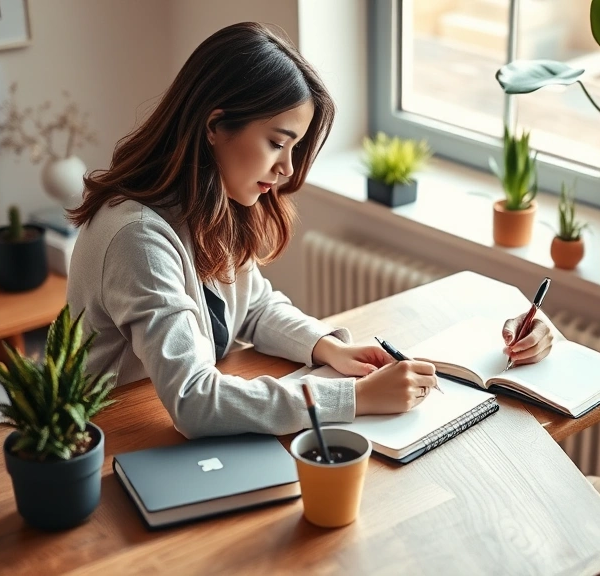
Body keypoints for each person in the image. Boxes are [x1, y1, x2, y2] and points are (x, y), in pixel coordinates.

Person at [66, 22, 554, 439]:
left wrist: (328, 347)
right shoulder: (138, 239)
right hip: (104, 442)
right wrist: (353, 397)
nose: (286, 169)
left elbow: (253, 307)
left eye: (295, 149)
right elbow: (195, 404)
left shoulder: (210, 205)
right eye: (278, 144)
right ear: (214, 125)